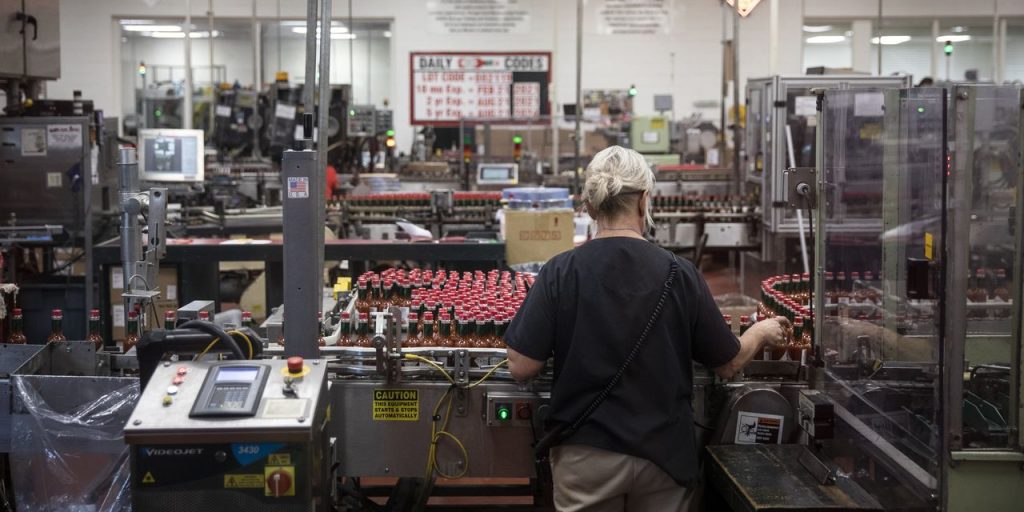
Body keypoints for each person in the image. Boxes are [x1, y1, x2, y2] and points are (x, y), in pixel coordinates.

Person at [505, 146, 789, 512]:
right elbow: (728, 363)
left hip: (585, 454)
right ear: (644, 200)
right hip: (664, 455)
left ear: (590, 207)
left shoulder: (561, 271)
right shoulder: (680, 273)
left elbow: (521, 366)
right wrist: (760, 332)